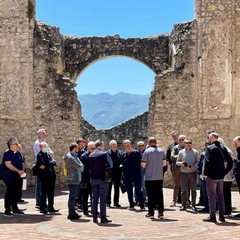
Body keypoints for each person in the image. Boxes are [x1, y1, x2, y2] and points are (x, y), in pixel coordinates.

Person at [203, 132, 233, 222]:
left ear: (212, 137)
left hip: (212, 175)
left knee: (212, 196)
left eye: (209, 138)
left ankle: (212, 216)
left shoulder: (209, 148)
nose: (209, 139)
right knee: (220, 195)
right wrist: (225, 171)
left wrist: (205, 173)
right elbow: (230, 161)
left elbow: (207, 161)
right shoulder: (223, 148)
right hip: (221, 176)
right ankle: (221, 216)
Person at [141, 137, 167, 219]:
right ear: (156, 143)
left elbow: (143, 165)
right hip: (159, 177)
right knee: (159, 195)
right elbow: (164, 164)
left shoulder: (147, 151)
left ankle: (151, 212)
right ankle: (161, 212)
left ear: (149, 143)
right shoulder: (161, 151)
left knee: (150, 195)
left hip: (149, 177)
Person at [89, 140, 113, 223]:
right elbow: (111, 164)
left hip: (93, 179)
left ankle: (94, 218)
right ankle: (103, 218)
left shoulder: (91, 155)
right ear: (101, 146)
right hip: (102, 179)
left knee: (94, 198)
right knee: (103, 199)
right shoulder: (104, 154)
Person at [3, 137, 25, 216]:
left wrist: (22, 171)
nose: (17, 145)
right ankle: (7, 210)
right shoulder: (7, 153)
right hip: (10, 175)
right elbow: (8, 164)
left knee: (16, 192)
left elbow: (22, 163)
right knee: (9, 192)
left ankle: (15, 209)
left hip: (18, 176)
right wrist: (18, 170)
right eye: (16, 144)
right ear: (11, 145)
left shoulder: (18, 153)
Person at [176, 138, 199, 212]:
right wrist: (181, 164)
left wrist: (193, 165)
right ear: (184, 144)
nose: (188, 144)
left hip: (193, 173)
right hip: (183, 173)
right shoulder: (181, 152)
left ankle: (193, 205)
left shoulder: (195, 152)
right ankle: (183, 205)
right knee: (183, 190)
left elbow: (198, 162)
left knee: (193, 190)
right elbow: (177, 162)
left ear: (191, 144)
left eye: (189, 143)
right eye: (186, 143)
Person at [122, 139, 144, 210]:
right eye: (126, 146)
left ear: (131, 145)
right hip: (127, 175)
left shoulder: (136, 153)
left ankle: (141, 205)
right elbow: (123, 164)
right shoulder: (123, 154)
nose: (128, 147)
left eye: (129, 145)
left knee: (138, 190)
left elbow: (139, 164)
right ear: (124, 146)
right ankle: (131, 204)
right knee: (129, 190)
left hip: (136, 174)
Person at [33, 129, 53, 208]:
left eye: (45, 132)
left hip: (46, 166)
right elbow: (46, 153)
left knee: (43, 185)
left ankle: (42, 201)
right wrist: (49, 152)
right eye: (43, 133)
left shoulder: (44, 143)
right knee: (40, 184)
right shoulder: (38, 143)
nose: (45, 134)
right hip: (41, 166)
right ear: (39, 135)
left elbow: (50, 153)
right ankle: (39, 201)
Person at [36, 142, 58, 214]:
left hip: (51, 175)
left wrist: (50, 163)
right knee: (44, 192)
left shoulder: (48, 154)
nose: (46, 148)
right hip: (45, 176)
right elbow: (43, 164)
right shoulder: (39, 155)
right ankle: (42, 207)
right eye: (44, 147)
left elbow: (52, 162)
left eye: (46, 146)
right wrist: (51, 162)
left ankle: (51, 207)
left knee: (51, 192)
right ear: (41, 147)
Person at [64, 143, 84, 220]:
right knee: (72, 197)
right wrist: (81, 166)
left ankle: (73, 211)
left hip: (76, 179)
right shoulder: (70, 157)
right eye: (77, 148)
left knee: (74, 197)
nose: (78, 150)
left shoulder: (74, 156)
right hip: (72, 179)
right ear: (74, 148)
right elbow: (79, 166)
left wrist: (81, 166)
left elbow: (81, 166)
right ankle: (71, 213)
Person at [79, 141, 95, 216]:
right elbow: (81, 168)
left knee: (94, 195)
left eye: (94, 148)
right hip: (85, 179)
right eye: (92, 148)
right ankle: (85, 210)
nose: (93, 150)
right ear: (88, 148)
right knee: (85, 195)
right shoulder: (83, 156)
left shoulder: (96, 156)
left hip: (94, 178)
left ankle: (94, 209)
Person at [170, 134, 186, 206]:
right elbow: (172, 157)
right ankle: (174, 201)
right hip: (176, 168)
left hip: (185, 169)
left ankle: (186, 201)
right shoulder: (175, 148)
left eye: (182, 139)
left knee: (185, 185)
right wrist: (181, 156)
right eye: (180, 139)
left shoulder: (187, 147)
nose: (181, 141)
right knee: (176, 185)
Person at [106, 140, 122, 208]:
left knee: (117, 188)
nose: (114, 145)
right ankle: (108, 203)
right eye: (113, 144)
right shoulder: (107, 153)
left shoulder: (120, 153)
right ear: (110, 145)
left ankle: (116, 202)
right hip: (109, 173)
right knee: (108, 188)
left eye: (115, 144)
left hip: (118, 172)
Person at [197, 141, 209, 213]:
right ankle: (206, 206)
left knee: (210, 192)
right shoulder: (203, 154)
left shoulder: (211, 154)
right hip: (202, 176)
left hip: (209, 176)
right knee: (204, 191)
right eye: (206, 146)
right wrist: (199, 172)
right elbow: (200, 164)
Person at [76, 138, 86, 209]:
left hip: (84, 174)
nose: (83, 146)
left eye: (83, 144)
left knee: (83, 189)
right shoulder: (75, 153)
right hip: (77, 174)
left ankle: (81, 202)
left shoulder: (84, 152)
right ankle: (77, 202)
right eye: (81, 144)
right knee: (77, 189)